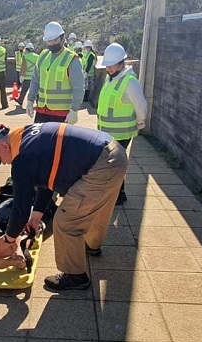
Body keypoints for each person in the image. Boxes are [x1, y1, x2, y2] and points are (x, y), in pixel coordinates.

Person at [0, 122, 127, 290]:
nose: (3, 163)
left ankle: (75, 276)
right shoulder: (25, 134)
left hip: (100, 166)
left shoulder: (22, 159)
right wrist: (35, 218)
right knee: (96, 208)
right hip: (115, 154)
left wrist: (8, 240)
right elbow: (47, 181)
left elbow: (20, 209)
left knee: (65, 222)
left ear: (4, 146)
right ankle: (92, 245)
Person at [97, 43, 148, 205]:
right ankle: (118, 193)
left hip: (122, 133)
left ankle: (117, 195)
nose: (109, 69)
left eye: (112, 65)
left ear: (121, 63)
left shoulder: (130, 82)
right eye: (107, 66)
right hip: (107, 132)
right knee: (112, 164)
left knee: (114, 164)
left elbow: (141, 105)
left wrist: (140, 121)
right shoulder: (111, 78)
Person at [26, 21, 85, 124]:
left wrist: (74, 110)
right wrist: (30, 100)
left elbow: (79, 88)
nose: (52, 43)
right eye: (49, 41)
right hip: (42, 111)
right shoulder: (43, 56)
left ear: (63, 38)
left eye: (55, 40)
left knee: (60, 140)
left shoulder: (72, 59)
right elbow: (35, 80)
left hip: (62, 114)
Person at [16, 42, 38, 107]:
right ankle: (39, 103)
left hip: (27, 77)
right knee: (36, 91)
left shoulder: (25, 56)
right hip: (35, 77)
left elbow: (23, 67)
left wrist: (21, 76)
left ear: (27, 49)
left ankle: (20, 100)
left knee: (24, 90)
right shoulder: (37, 56)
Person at [81, 40, 97, 104]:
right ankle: (85, 99)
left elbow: (89, 64)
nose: (85, 48)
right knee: (86, 86)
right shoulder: (86, 54)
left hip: (89, 74)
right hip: (86, 73)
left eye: (85, 47)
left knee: (88, 87)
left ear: (89, 47)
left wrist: (86, 72)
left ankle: (86, 99)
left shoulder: (91, 55)